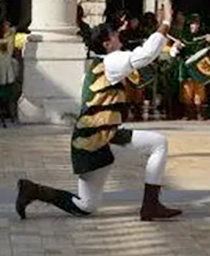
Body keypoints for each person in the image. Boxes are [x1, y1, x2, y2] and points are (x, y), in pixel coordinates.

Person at [15, 14, 182, 221]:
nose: (118, 35)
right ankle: (150, 206)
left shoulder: (96, 65)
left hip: (87, 141)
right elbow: (145, 54)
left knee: (86, 206)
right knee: (158, 144)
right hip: (101, 138)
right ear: (107, 44)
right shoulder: (111, 61)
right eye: (114, 34)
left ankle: (33, 190)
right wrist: (165, 23)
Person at [0, 20, 17, 127]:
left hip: (6, 71)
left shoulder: (9, 38)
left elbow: (9, 48)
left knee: (8, 94)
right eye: (5, 26)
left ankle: (9, 113)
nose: (7, 27)